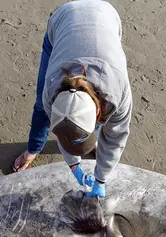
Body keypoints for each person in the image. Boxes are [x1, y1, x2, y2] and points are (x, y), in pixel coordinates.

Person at [12, 0, 132, 198]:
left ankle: (86, 136)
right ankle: (33, 149)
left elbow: (114, 140)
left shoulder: (117, 95)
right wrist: (75, 167)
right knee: (41, 109)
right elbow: (64, 130)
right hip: (63, 20)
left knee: (87, 123)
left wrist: (101, 179)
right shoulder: (51, 91)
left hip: (106, 16)